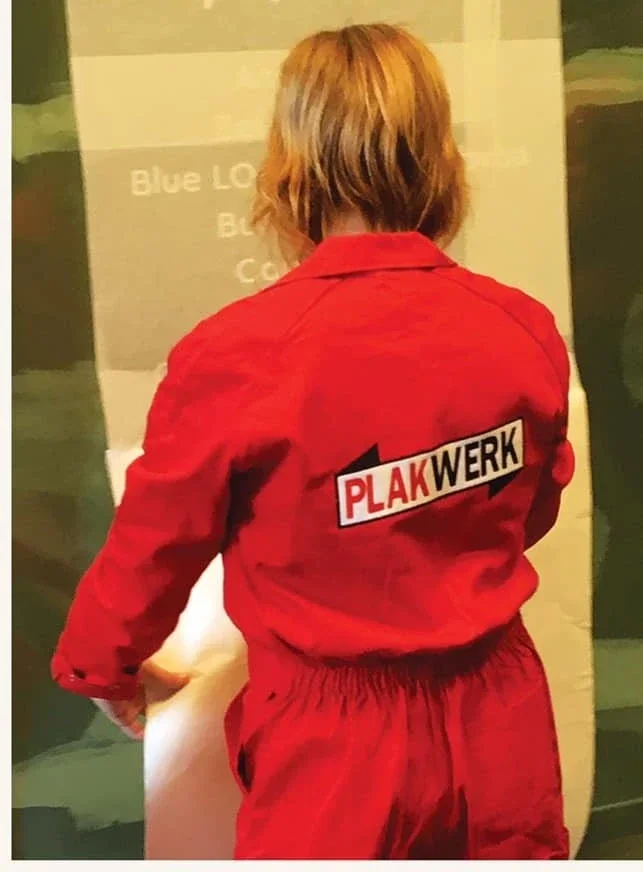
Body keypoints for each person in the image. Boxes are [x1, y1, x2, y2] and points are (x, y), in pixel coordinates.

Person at [51, 23, 575, 860]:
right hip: (499, 717)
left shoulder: (239, 353)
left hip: (334, 746)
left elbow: (154, 542)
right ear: (439, 160)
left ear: (289, 165)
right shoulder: (518, 326)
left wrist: (101, 663)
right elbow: (533, 505)